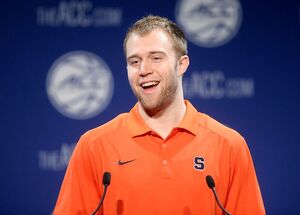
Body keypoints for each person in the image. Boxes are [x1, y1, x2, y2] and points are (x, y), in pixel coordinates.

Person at [53, 15, 265, 215]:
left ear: (181, 64)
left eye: (156, 58)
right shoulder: (94, 146)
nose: (144, 70)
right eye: (134, 61)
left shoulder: (229, 145)